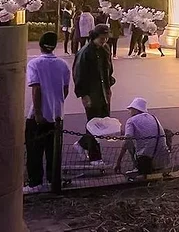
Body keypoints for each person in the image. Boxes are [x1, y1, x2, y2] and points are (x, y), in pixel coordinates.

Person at [24, 31, 70, 193]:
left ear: (40, 45)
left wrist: (37, 113)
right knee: (54, 150)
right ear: (54, 46)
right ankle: (53, 180)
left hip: (38, 115)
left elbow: (36, 89)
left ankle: (35, 183)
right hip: (57, 115)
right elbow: (65, 90)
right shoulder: (63, 64)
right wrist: (57, 104)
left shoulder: (34, 64)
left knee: (34, 150)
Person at [73, 23, 115, 164]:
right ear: (95, 37)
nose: (104, 41)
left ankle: (83, 144)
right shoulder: (85, 52)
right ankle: (95, 156)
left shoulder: (105, 49)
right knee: (94, 123)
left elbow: (108, 70)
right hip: (91, 93)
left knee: (103, 123)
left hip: (103, 92)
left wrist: (109, 86)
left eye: (106, 38)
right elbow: (78, 74)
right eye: (102, 38)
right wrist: (84, 95)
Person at [114, 97, 173, 179]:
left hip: (145, 163)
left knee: (129, 142)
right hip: (163, 161)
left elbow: (127, 140)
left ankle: (136, 167)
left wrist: (118, 162)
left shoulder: (131, 121)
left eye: (130, 109)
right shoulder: (153, 117)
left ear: (135, 109)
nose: (129, 111)